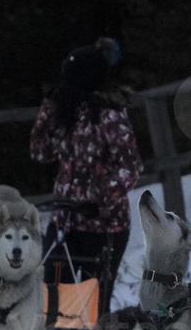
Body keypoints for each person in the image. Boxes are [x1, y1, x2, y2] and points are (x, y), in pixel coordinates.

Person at [29, 42, 143, 315]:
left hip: (104, 226)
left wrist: (99, 196)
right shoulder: (65, 113)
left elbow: (131, 168)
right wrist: (47, 110)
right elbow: (40, 151)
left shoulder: (109, 116)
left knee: (94, 306)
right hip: (64, 223)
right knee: (54, 300)